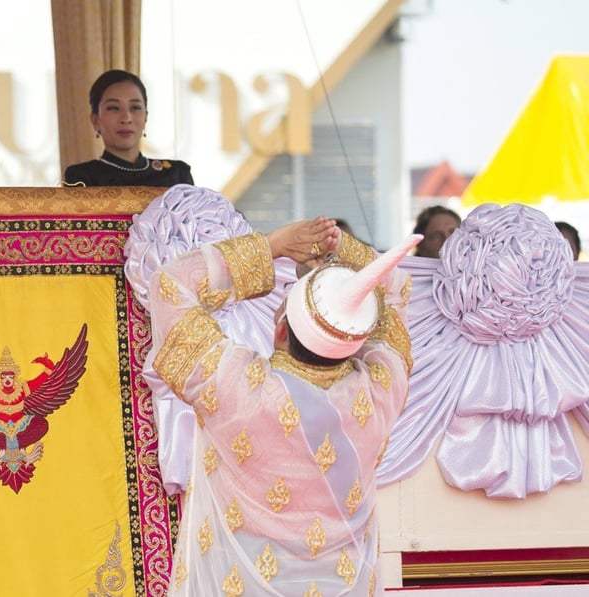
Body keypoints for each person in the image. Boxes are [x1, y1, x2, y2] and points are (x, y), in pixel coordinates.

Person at [146, 211, 421, 595]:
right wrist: (340, 250)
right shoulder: (383, 387)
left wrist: (275, 244)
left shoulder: (237, 388)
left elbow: (169, 285)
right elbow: (395, 286)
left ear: (279, 330)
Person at [63, 70, 194, 187]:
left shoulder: (177, 175)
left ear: (146, 117)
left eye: (135, 107)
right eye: (113, 108)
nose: (126, 118)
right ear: (96, 120)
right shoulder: (82, 177)